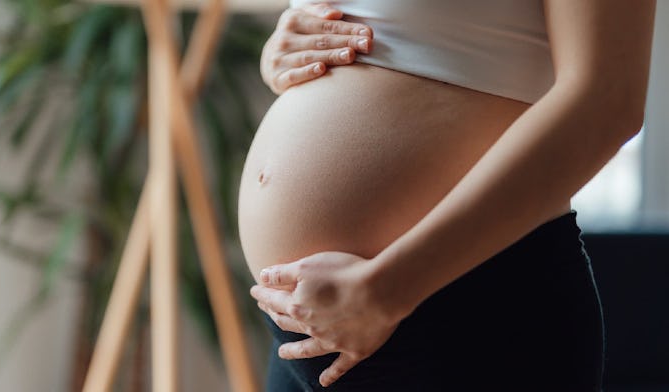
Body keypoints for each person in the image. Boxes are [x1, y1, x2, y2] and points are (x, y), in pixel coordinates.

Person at [239, 1, 656, 390]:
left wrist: (387, 290)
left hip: (465, 318)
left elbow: (607, 99)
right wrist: (281, 50)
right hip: (309, 330)